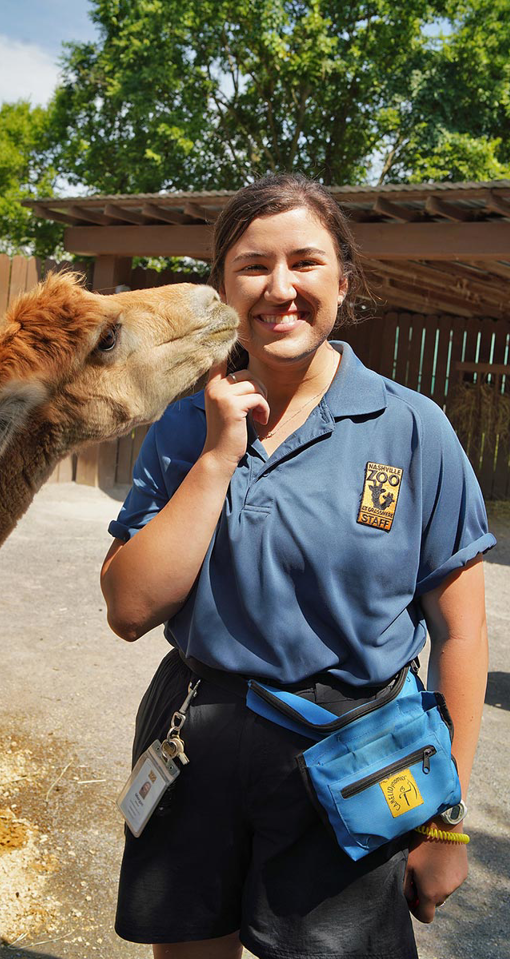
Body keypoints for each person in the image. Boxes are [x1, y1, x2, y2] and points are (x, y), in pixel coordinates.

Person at [100, 173, 495, 959]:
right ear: (224, 288)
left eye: (305, 262)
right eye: (253, 265)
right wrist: (216, 457)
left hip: (353, 758)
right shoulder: (184, 424)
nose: (280, 287)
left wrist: (445, 818)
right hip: (195, 740)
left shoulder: (413, 427)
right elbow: (130, 608)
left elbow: (461, 631)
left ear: (343, 280)